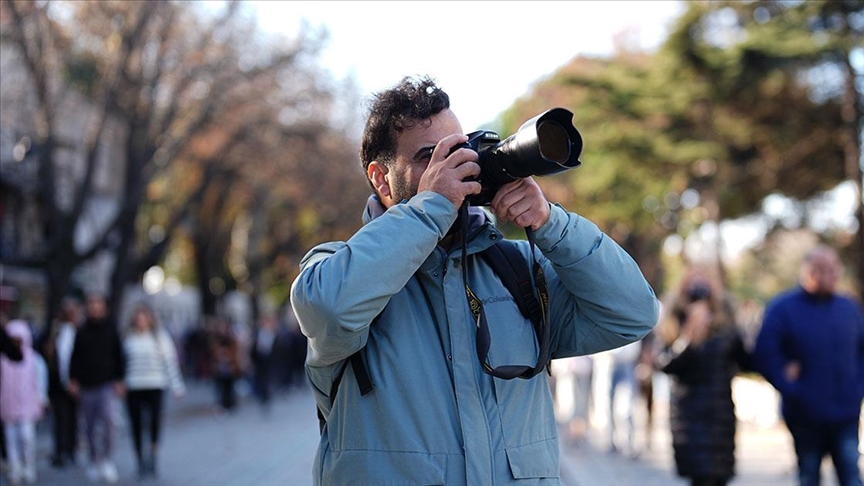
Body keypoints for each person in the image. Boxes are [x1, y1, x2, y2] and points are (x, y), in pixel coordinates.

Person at [290, 76, 659, 485]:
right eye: (430, 156)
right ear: (381, 179)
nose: (454, 168)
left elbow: (633, 313)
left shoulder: (517, 271)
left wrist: (551, 223)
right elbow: (328, 308)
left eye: (459, 150)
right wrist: (432, 208)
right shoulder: (337, 268)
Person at [753, 245, 864, 486]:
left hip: (846, 412)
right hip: (805, 415)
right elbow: (765, 353)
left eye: (834, 269)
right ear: (807, 271)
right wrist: (790, 387)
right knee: (809, 476)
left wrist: (858, 388)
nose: (829, 275)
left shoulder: (849, 308)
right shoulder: (783, 308)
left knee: (851, 476)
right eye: (822, 269)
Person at [654, 265, 750, 486]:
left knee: (719, 476)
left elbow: (744, 360)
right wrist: (689, 336)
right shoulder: (674, 320)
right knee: (699, 476)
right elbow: (665, 364)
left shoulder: (726, 320)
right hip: (689, 413)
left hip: (720, 413)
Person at [122, 303, 185, 479]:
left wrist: (177, 386)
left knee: (154, 422)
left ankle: (153, 457)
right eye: (138, 317)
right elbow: (121, 363)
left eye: (144, 317)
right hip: (133, 386)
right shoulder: (128, 338)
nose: (141, 321)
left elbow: (170, 362)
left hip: (155, 384)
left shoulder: (160, 337)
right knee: (135, 424)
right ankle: (139, 459)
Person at [69, 293, 126, 484]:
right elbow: (75, 357)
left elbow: (119, 355)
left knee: (110, 421)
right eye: (91, 303)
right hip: (87, 385)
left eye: (97, 303)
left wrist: (120, 379)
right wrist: (73, 379)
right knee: (90, 427)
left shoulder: (111, 329)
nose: (94, 307)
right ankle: (94, 460)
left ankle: (107, 459)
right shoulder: (82, 330)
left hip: (107, 384)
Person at [0, 320, 47, 485]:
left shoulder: (33, 359)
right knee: (10, 439)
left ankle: (28, 466)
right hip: (7, 404)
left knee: (27, 437)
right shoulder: (4, 358)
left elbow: (40, 379)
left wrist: (41, 398)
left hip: (28, 404)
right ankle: (15, 467)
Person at [40, 296, 83, 468]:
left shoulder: (78, 331)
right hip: (57, 381)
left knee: (71, 417)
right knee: (59, 418)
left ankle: (70, 450)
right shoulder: (55, 330)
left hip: (72, 380)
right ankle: (61, 450)